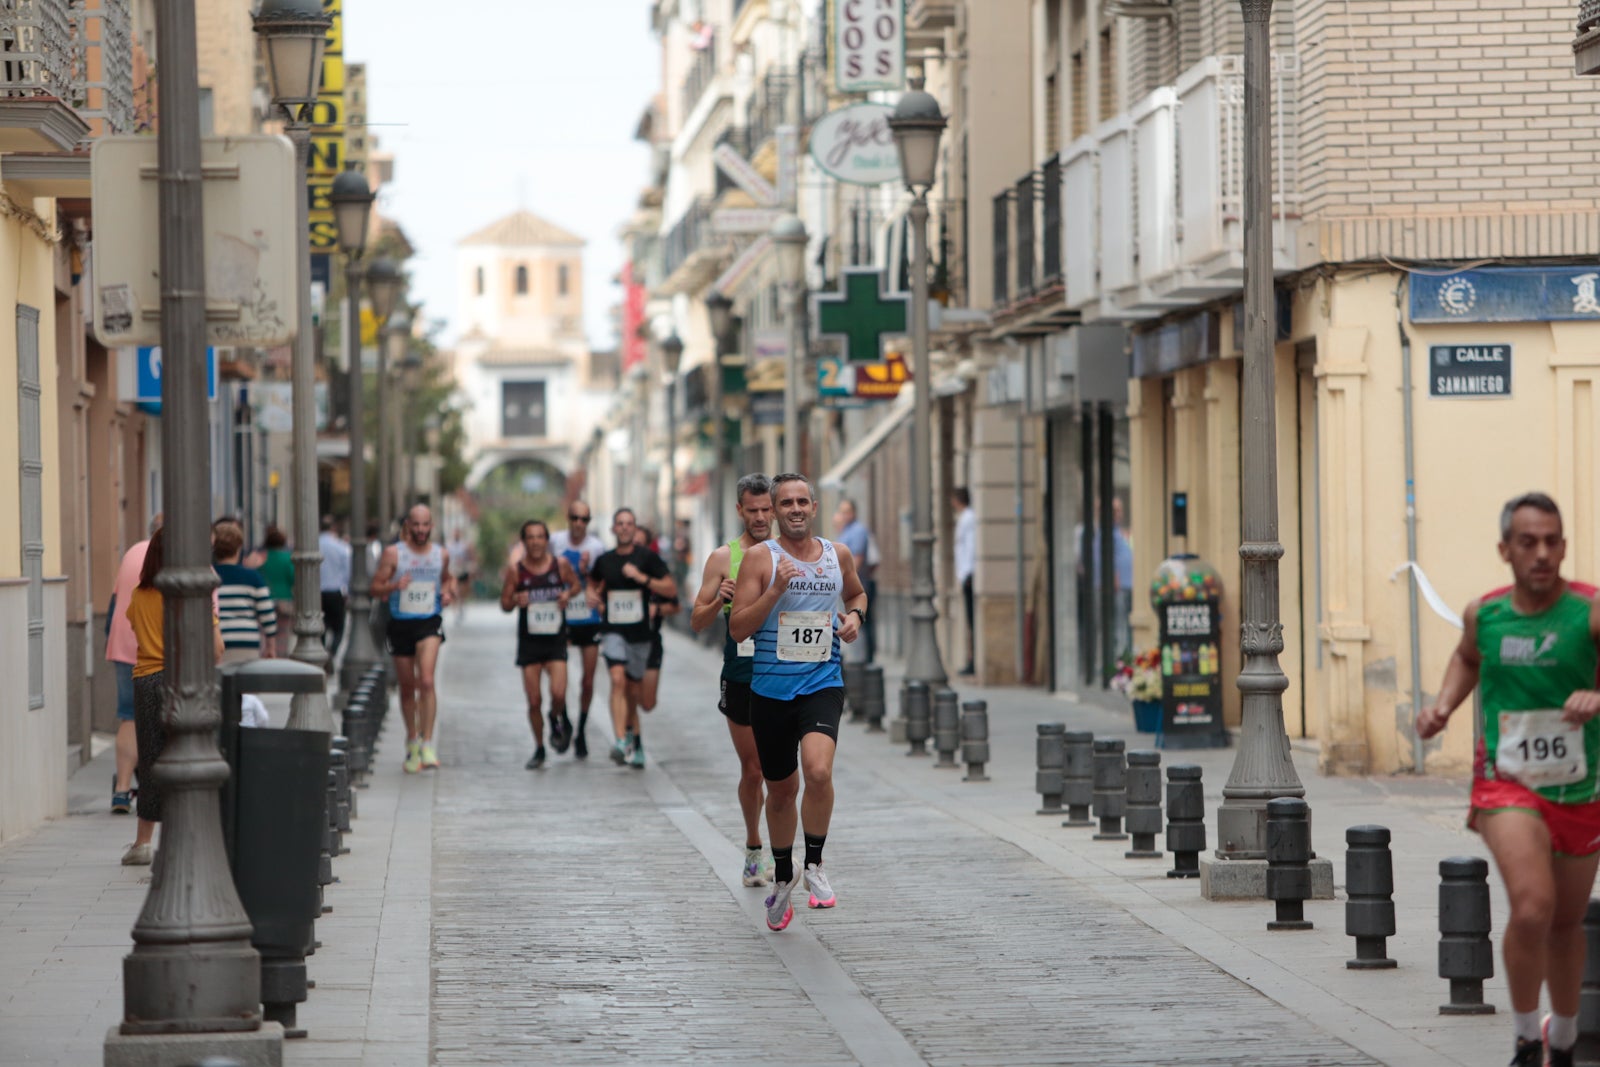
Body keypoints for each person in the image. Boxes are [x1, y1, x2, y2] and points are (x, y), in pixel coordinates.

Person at [1416, 492, 1600, 1067]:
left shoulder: (1591, 612)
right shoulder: (1485, 615)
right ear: (1506, 550)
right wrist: (1443, 706)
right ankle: (1526, 1040)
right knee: (1531, 907)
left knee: (1567, 924)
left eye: (1552, 541)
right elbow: (1468, 658)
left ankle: (1563, 1043)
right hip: (1507, 782)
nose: (1542, 553)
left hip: (1580, 785)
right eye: (1528, 542)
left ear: (1564, 546)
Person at [729, 473, 868, 932]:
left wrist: (854, 617)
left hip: (821, 683)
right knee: (783, 791)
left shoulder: (836, 554)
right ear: (773, 507)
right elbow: (737, 629)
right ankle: (782, 875)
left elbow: (857, 592)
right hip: (769, 691)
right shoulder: (758, 559)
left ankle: (815, 864)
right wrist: (774, 590)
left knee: (819, 771)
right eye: (784, 502)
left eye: (802, 501)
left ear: (814, 507)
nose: (794, 509)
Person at [691, 473, 776, 887]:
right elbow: (696, 620)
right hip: (741, 675)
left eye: (766, 509)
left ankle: (783, 848)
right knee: (754, 769)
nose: (760, 517)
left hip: (786, 674)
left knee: (784, 772)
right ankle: (754, 847)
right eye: (753, 510)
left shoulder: (791, 554)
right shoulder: (723, 558)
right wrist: (718, 600)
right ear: (740, 510)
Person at [121, 528, 224, 866]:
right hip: (185, 681)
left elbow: (137, 632)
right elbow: (217, 651)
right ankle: (193, 839)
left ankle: (142, 843)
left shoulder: (139, 595)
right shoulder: (190, 598)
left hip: (147, 681)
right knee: (193, 758)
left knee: (152, 762)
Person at [586, 508, 675, 768]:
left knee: (633, 692)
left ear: (634, 529)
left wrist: (642, 578)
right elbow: (592, 584)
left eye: (629, 524)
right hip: (613, 630)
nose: (624, 528)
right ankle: (621, 740)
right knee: (617, 680)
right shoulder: (604, 560)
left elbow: (670, 589)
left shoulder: (647, 558)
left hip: (640, 634)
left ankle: (635, 740)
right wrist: (592, 596)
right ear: (614, 529)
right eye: (620, 524)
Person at [371, 504, 456, 773]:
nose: (421, 530)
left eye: (425, 525)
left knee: (427, 681)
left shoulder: (440, 554)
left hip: (429, 623)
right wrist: (394, 586)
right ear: (408, 524)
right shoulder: (394, 553)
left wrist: (448, 592)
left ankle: (428, 743)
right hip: (401, 625)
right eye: (416, 525)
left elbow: (447, 580)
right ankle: (412, 741)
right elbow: (374, 587)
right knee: (408, 687)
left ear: (432, 526)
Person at [499, 520, 580, 769]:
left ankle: (556, 714)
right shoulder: (516, 570)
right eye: (530, 538)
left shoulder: (560, 565)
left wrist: (567, 594)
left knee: (558, 693)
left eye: (539, 537)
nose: (535, 542)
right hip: (529, 642)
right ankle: (539, 747)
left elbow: (576, 585)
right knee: (534, 700)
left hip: (556, 640)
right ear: (524, 542)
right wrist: (516, 599)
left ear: (547, 541)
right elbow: (504, 604)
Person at [105, 513, 161, 815]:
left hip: (125, 643)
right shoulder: (181, 557)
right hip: (162, 649)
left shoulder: (132, 553)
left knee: (130, 717)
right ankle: (161, 790)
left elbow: (116, 602)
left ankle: (122, 790)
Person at [551, 502, 608, 759]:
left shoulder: (596, 547)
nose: (578, 523)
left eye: (584, 519)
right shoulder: (555, 542)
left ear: (589, 521)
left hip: (588, 616)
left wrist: (590, 580)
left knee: (587, 679)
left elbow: (601, 581)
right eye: (574, 517)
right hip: (562, 616)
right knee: (558, 681)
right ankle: (563, 716)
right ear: (568, 518)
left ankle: (582, 729)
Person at [213, 518, 276, 665]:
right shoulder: (252, 577)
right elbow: (267, 614)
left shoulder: (209, 576)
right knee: (247, 685)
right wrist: (270, 645)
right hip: (247, 641)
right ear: (238, 549)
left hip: (217, 642)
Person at [637, 523, 681, 715]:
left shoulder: (657, 572)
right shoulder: (617, 567)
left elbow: (675, 605)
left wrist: (657, 608)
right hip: (624, 639)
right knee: (623, 686)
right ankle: (631, 735)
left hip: (651, 640)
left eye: (639, 544)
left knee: (647, 703)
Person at [832, 498, 878, 663]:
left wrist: (847, 580)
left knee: (863, 621)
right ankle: (860, 658)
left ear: (853, 513)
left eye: (847, 512)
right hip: (848, 584)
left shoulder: (858, 531)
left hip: (859, 584)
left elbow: (856, 559)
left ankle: (866, 660)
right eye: (841, 512)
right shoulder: (845, 531)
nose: (844, 515)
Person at [255, 524, 295, 657]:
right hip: (284, 599)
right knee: (283, 632)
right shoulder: (288, 558)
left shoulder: (261, 557)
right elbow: (292, 578)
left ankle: (266, 653)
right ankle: (281, 656)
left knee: (265, 631)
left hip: (265, 599)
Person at [319, 515, 352, 666]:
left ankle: (322, 653)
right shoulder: (341, 547)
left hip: (317, 594)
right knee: (339, 628)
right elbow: (348, 571)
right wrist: (347, 591)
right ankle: (331, 653)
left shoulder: (314, 544)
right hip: (336, 592)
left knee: (320, 626)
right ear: (333, 528)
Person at [952, 487, 977, 676]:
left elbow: (970, 546)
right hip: (964, 573)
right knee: (969, 620)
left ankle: (973, 661)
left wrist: (967, 574)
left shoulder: (969, 518)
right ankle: (971, 660)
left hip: (968, 574)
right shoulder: (964, 517)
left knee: (972, 619)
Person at [446, 526, 476, 622]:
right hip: (453, 570)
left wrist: (471, 566)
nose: (456, 535)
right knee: (454, 589)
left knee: (463, 590)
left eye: (458, 533)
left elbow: (471, 556)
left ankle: (461, 605)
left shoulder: (465, 545)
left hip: (463, 569)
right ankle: (455, 610)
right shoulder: (449, 545)